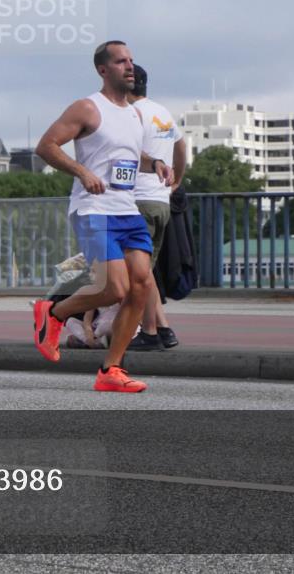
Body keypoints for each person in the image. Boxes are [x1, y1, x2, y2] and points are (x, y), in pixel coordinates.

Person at [34, 40, 173, 392]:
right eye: (121, 61)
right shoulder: (87, 108)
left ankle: (110, 371)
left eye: (131, 60)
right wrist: (82, 172)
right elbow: (46, 146)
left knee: (139, 288)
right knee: (114, 288)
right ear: (103, 69)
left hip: (127, 210)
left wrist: (153, 162)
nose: (129, 66)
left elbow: (126, 153)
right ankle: (54, 313)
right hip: (94, 210)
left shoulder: (134, 113)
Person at [125, 64, 186, 350]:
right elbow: (182, 146)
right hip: (161, 200)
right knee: (146, 269)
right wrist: (177, 180)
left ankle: (150, 331)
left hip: (137, 199)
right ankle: (163, 329)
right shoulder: (162, 111)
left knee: (141, 270)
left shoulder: (130, 113)